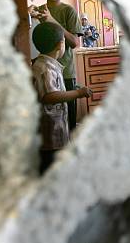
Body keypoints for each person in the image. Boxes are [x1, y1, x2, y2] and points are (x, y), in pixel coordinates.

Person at [31, 22, 92, 174]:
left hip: (54, 130)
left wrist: (73, 90)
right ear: (60, 44)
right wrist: (78, 94)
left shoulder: (45, 64)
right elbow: (49, 96)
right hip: (51, 134)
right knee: (52, 167)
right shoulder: (45, 68)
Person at [28, 0, 84, 131]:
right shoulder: (38, 10)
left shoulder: (69, 11)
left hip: (65, 73)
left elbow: (75, 43)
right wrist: (27, 16)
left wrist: (52, 20)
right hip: (43, 71)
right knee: (49, 119)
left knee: (68, 120)